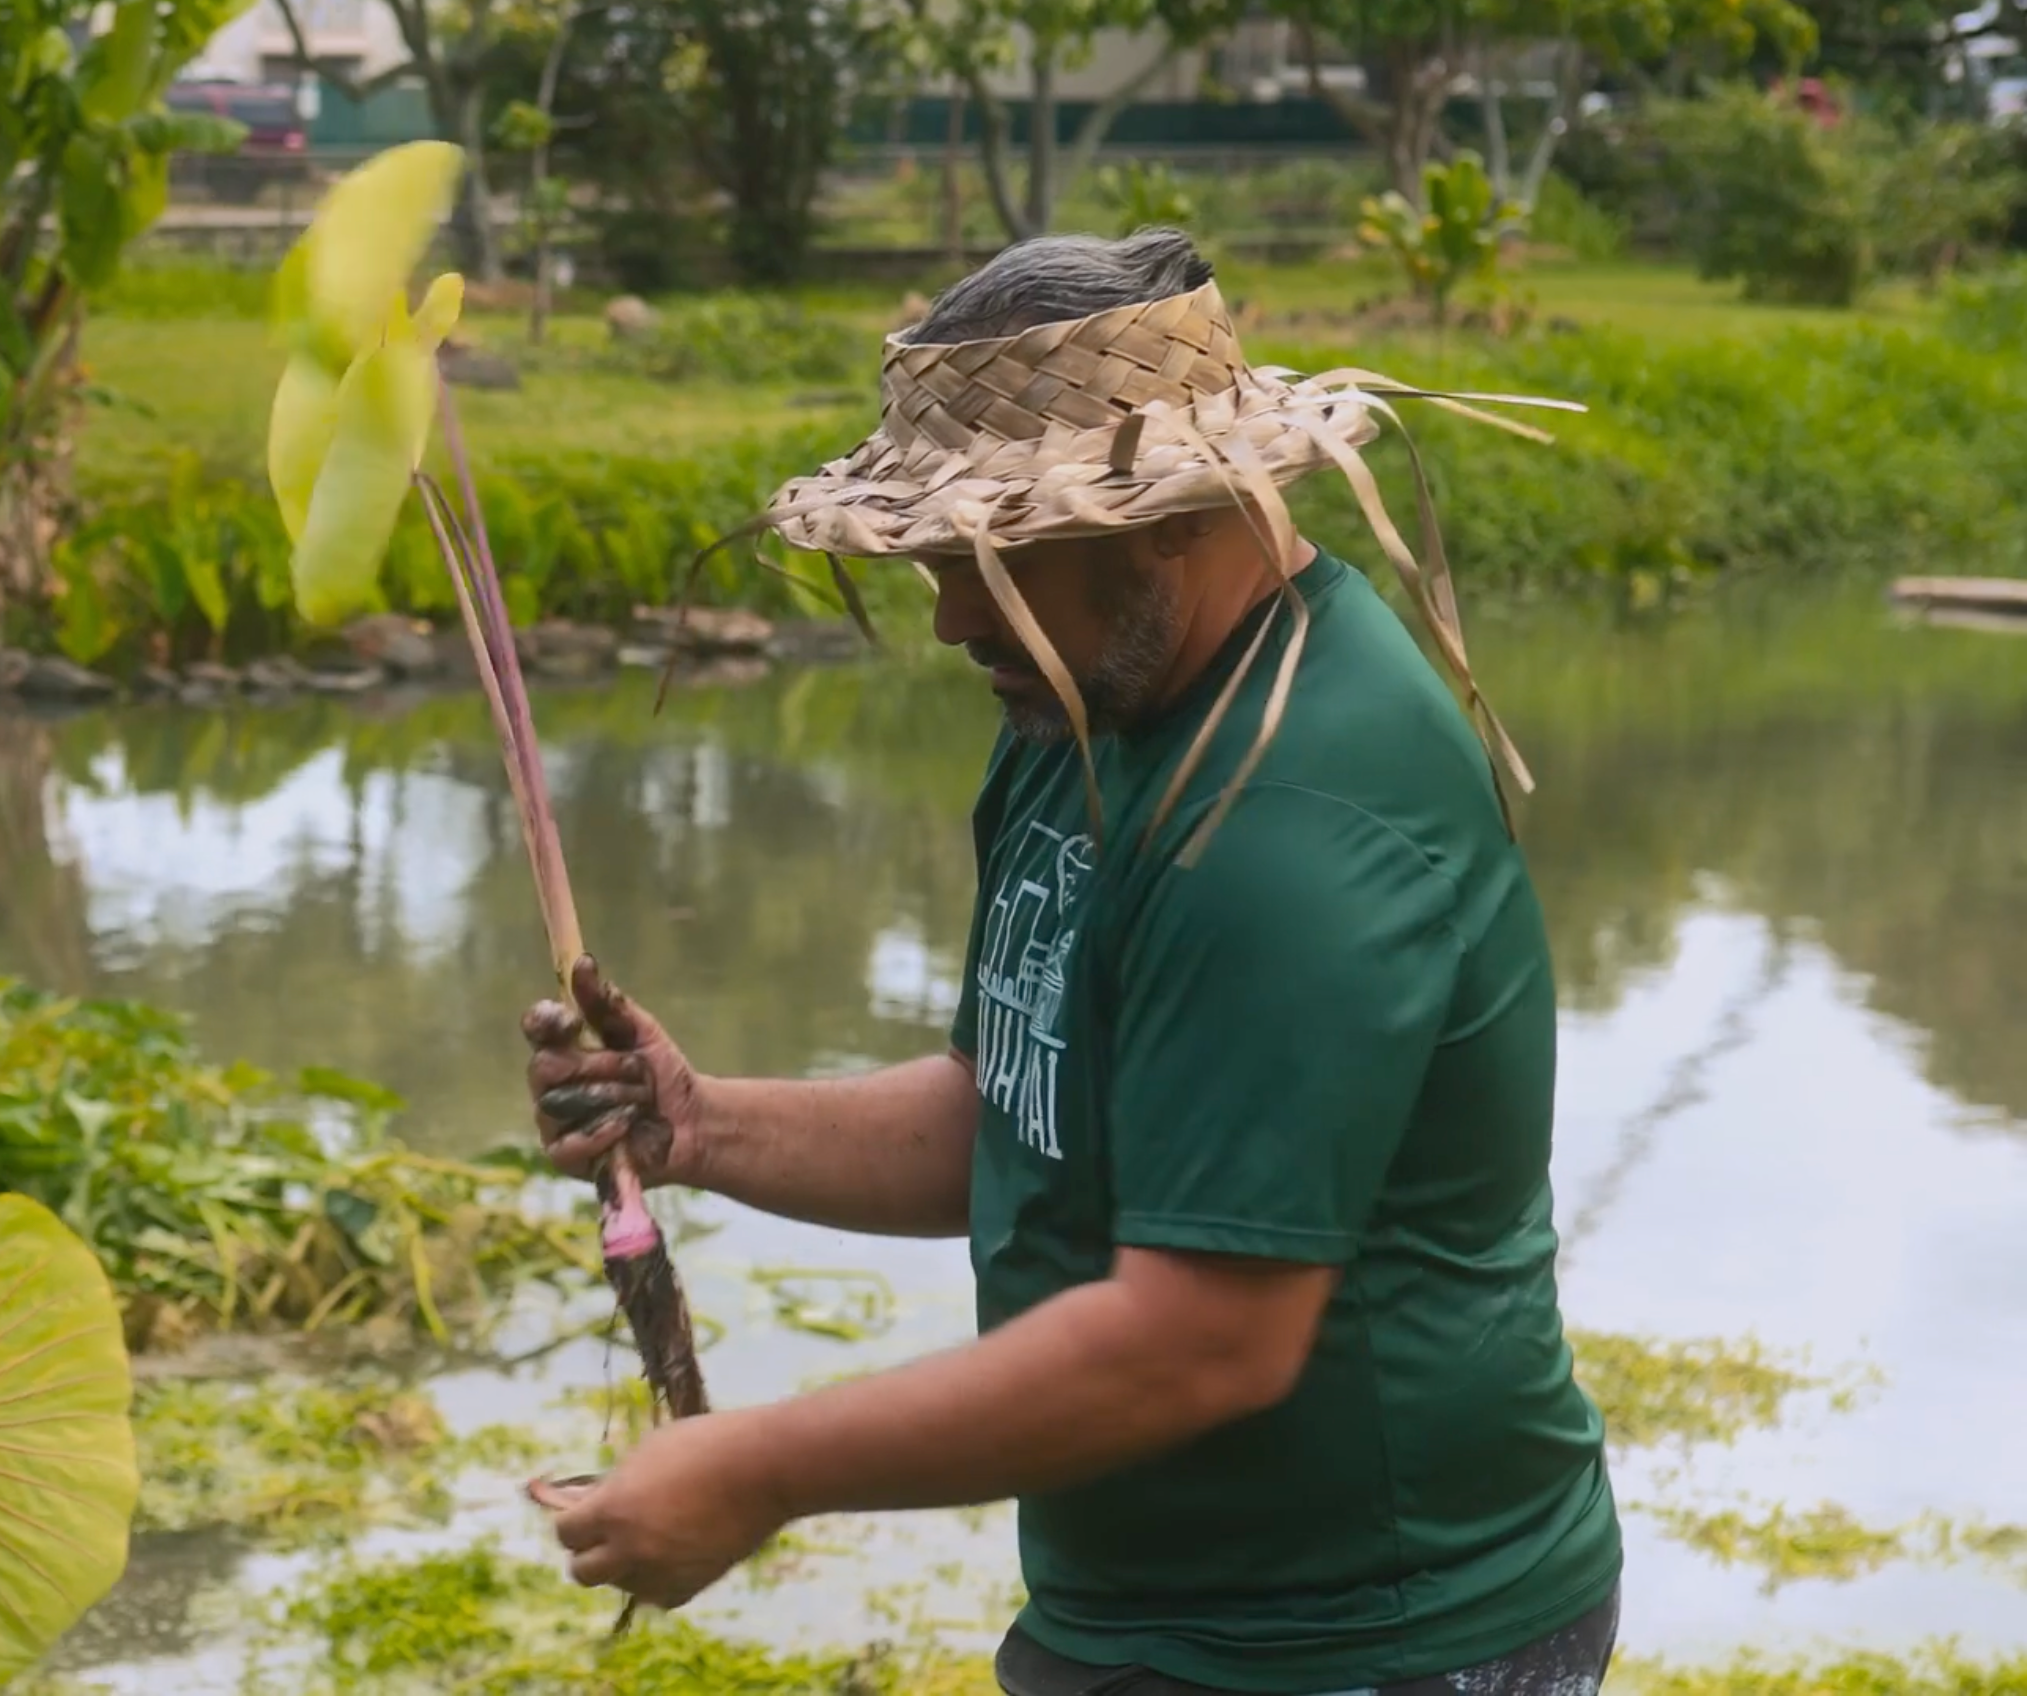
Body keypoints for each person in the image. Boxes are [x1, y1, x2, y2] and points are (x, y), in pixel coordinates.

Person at [521, 229, 1622, 1695]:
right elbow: (1022, 1116)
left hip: (1362, 1642)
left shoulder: (1286, 820)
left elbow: (1201, 1341)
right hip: (1153, 1618)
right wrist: (705, 1125)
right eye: (941, 557)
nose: (952, 615)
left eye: (998, 553)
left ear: (1170, 512)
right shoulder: (1088, 703)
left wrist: (761, 1468)